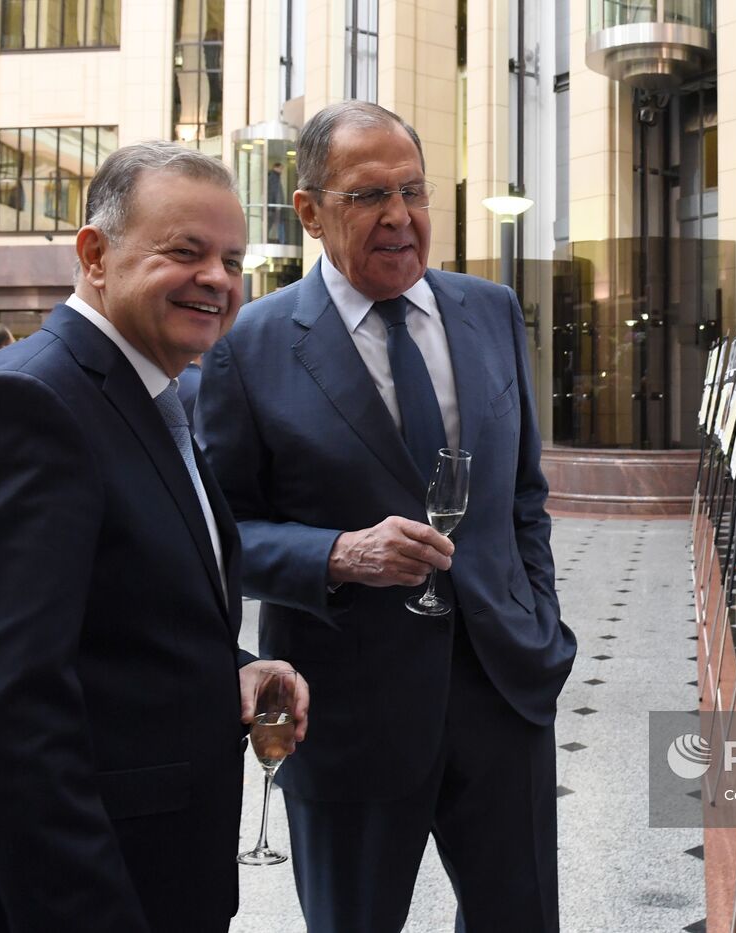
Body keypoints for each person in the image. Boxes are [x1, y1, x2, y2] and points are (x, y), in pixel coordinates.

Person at [196, 101, 575, 933]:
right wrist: (337, 554)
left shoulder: (491, 311)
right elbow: (220, 538)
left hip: (503, 692)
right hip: (347, 713)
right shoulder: (247, 346)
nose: (401, 216)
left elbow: (522, 498)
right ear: (309, 211)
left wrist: (542, 625)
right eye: (370, 195)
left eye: (414, 189)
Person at [0, 142, 308, 933]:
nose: (217, 277)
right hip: (102, 885)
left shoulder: (151, 394)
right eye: (186, 250)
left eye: (231, 258)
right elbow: (9, 714)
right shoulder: (31, 402)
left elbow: (115, 618)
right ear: (95, 254)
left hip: (167, 868)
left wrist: (234, 669)